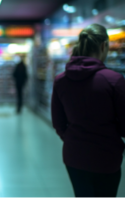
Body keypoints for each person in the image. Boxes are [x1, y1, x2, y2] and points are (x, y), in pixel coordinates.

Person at [51, 24, 125, 197]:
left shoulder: (61, 80)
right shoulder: (114, 80)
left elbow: (58, 123)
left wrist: (73, 138)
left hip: (74, 155)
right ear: (103, 46)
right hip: (107, 157)